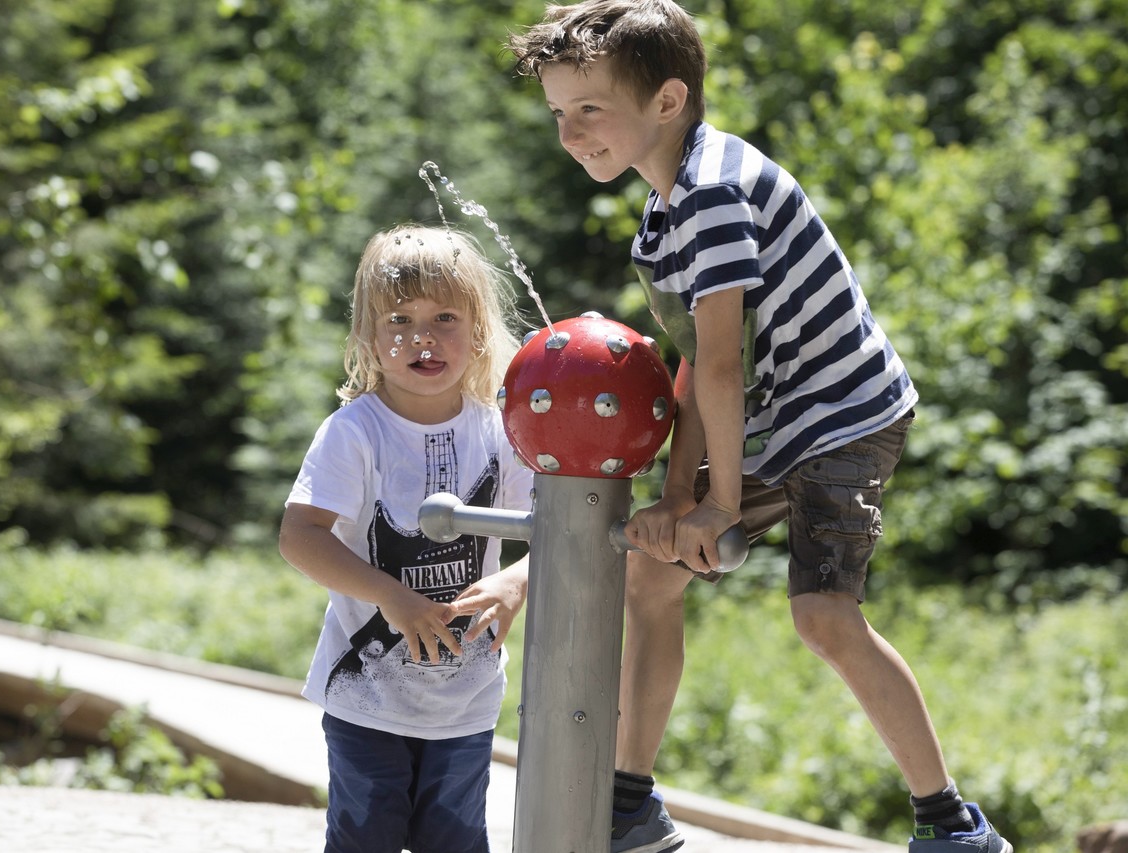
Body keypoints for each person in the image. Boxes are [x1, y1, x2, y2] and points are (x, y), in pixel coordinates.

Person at [507, 3, 1013, 853]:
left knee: (824, 615)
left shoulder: (711, 193)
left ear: (668, 100)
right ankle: (629, 803)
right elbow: (695, 360)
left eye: (589, 108)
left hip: (843, 412)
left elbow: (720, 368)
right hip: (775, 415)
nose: (570, 132)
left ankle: (954, 824)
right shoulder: (664, 213)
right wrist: (678, 494)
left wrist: (720, 506)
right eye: (559, 111)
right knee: (652, 578)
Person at [279, 223, 533, 853]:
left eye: (446, 317)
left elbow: (562, 532)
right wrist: (391, 596)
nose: (423, 337)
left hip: (468, 700)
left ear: (478, 331)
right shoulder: (354, 432)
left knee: (457, 843)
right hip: (366, 695)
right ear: (369, 336)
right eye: (399, 319)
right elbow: (300, 537)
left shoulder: (501, 432)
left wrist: (516, 580)